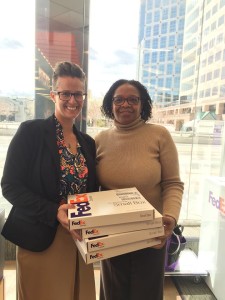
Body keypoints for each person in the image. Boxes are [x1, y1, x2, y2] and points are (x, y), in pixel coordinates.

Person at [1, 61, 98, 300]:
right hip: (40, 236)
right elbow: (10, 186)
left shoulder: (88, 143)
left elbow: (91, 191)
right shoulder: (30, 132)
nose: (73, 100)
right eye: (66, 93)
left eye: (78, 94)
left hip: (78, 240)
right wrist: (54, 211)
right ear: (53, 95)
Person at [95, 79, 184, 300]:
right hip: (113, 235)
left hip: (152, 235)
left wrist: (170, 217)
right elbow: (93, 189)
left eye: (132, 99)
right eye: (119, 99)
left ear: (142, 104)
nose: (125, 104)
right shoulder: (99, 140)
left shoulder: (160, 135)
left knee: (147, 293)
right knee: (113, 293)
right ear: (110, 104)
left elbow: (173, 183)